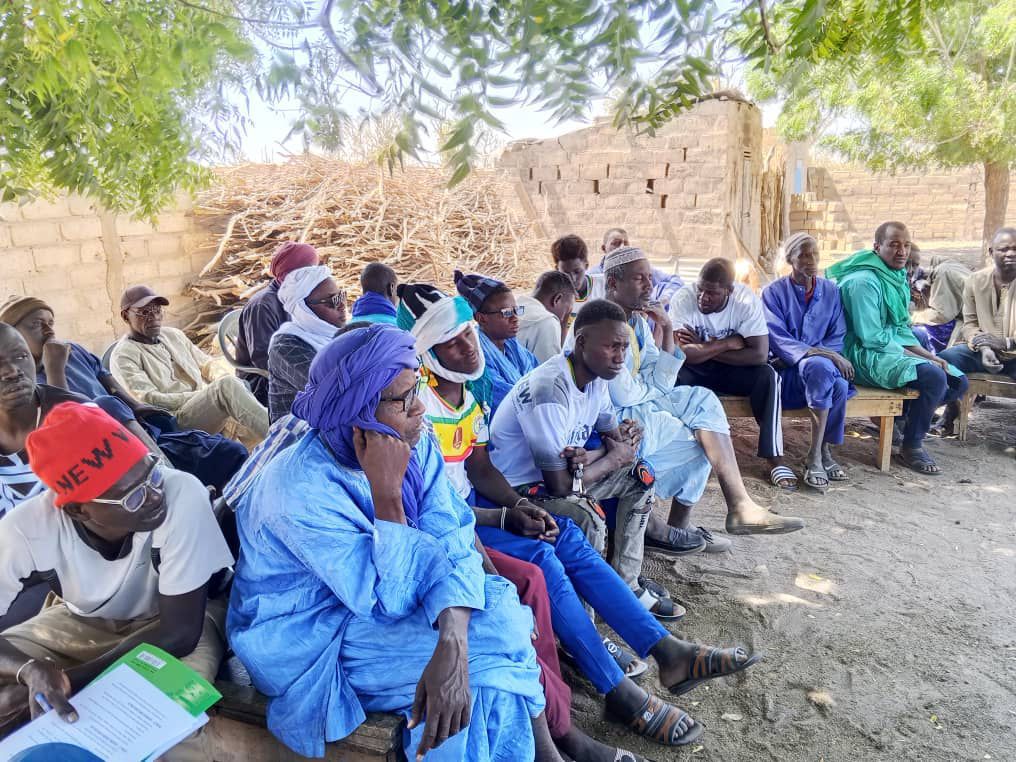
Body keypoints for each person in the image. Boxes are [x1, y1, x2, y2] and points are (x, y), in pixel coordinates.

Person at [226, 324, 562, 761]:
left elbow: (454, 538)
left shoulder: (413, 444)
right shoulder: (298, 491)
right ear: (358, 410)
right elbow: (390, 600)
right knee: (497, 633)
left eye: (416, 387)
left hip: (375, 610)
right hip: (309, 636)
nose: (419, 406)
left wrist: (453, 642)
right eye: (403, 398)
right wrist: (388, 497)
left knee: (483, 662)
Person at [0, 402, 233, 761]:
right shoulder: (26, 529)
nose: (154, 496)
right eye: (133, 496)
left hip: (177, 621)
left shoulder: (182, 493)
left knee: (166, 730)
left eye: (152, 475)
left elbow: (179, 634)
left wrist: (65, 682)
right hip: (80, 620)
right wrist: (29, 671)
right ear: (77, 509)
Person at [595, 247, 804, 546]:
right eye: (640, 279)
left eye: (650, 277)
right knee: (701, 441)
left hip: (642, 401)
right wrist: (654, 383)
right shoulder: (602, 323)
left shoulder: (637, 322)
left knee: (705, 403)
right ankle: (670, 529)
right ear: (613, 283)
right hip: (614, 417)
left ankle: (737, 505)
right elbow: (623, 392)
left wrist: (666, 326)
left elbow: (659, 371)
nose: (650, 285)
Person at [488, 300, 660, 600]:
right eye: (612, 347)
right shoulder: (549, 389)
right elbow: (560, 486)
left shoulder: (597, 379)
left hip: (562, 474)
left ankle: (626, 586)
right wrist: (612, 457)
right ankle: (588, 610)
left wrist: (627, 436)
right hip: (520, 488)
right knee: (588, 516)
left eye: (624, 347)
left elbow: (613, 438)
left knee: (640, 475)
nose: (620, 358)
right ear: (581, 343)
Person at [1, 297, 248, 493]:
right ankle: (166, 482)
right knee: (105, 404)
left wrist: (135, 406)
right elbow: (61, 431)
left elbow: (105, 376)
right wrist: (55, 368)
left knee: (228, 453)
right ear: (12, 335)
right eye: (36, 325)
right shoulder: (23, 386)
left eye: (50, 323)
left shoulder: (72, 351)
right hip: (99, 459)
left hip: (137, 432)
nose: (48, 330)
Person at [827, 222, 968, 475]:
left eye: (906, 245)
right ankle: (912, 446)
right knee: (934, 378)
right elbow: (871, 338)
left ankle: (901, 421)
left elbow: (901, 329)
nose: (902, 251)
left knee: (958, 381)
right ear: (877, 247)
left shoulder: (895, 276)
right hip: (861, 354)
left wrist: (929, 356)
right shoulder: (863, 283)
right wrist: (919, 358)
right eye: (893, 245)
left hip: (886, 349)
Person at [670, 259, 797, 490]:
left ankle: (774, 458)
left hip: (733, 371)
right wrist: (727, 343)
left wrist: (704, 347)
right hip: (695, 369)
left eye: (712, 293)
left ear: (729, 290)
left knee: (767, 375)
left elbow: (759, 354)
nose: (703, 297)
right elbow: (684, 354)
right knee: (674, 372)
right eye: (701, 289)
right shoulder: (683, 298)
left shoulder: (745, 301)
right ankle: (677, 453)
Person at [111, 285, 269, 440]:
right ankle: (279, 432)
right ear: (126, 316)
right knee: (228, 388)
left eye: (157, 310)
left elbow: (207, 365)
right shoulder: (123, 356)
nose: (154, 317)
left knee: (239, 393)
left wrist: (219, 380)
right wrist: (204, 394)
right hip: (173, 420)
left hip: (203, 407)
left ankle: (273, 437)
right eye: (144, 312)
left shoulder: (174, 335)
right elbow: (149, 399)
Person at [762, 233, 855, 492]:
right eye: (803, 255)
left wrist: (827, 355)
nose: (811, 260)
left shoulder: (831, 291)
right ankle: (817, 456)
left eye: (814, 254)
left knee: (834, 382)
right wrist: (824, 355)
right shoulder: (773, 293)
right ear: (790, 260)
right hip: (786, 374)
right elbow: (777, 337)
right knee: (822, 370)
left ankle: (820, 451)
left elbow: (836, 335)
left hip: (820, 373)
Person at [234, 241, 321, 404]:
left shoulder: (296, 298)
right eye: (309, 271)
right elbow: (263, 359)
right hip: (262, 382)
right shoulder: (262, 306)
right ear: (294, 273)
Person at [267, 265, 346, 422]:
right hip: (297, 431)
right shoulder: (286, 347)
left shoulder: (336, 334)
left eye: (341, 296)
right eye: (333, 301)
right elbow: (333, 392)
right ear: (305, 310)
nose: (342, 305)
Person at [454, 271, 539, 413]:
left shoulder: (512, 345)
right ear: (481, 318)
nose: (515, 318)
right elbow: (511, 401)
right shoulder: (478, 357)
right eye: (506, 313)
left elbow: (541, 374)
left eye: (516, 310)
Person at [940, 226, 1016, 379]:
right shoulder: (975, 281)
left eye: (1015, 249)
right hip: (984, 352)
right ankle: (954, 396)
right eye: (1004, 249)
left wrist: (1006, 343)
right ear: (991, 252)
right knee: (943, 360)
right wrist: (985, 348)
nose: (1011, 253)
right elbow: (970, 324)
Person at [907, 246, 970, 354]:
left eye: (914, 265)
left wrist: (913, 316)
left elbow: (941, 315)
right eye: (907, 265)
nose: (910, 270)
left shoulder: (942, 273)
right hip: (973, 316)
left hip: (974, 323)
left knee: (921, 331)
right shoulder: (947, 265)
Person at [516, 272, 576, 362]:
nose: (563, 319)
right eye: (567, 311)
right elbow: (550, 368)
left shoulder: (516, 307)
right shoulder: (547, 322)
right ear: (557, 299)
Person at [552, 234, 605, 325]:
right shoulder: (551, 296)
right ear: (557, 269)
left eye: (577, 272)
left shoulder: (605, 287)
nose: (572, 279)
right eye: (566, 273)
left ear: (586, 265)